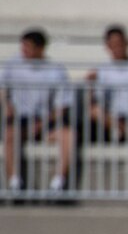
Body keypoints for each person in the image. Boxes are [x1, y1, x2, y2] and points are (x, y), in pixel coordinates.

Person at [3, 29, 75, 194]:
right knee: (9, 134)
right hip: (20, 120)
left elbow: (62, 105)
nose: (24, 52)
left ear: (41, 48)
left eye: (28, 47)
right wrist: (8, 108)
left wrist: (41, 124)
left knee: (68, 135)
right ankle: (14, 182)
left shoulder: (56, 70)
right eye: (23, 47)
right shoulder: (12, 66)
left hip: (45, 121)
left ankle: (58, 183)